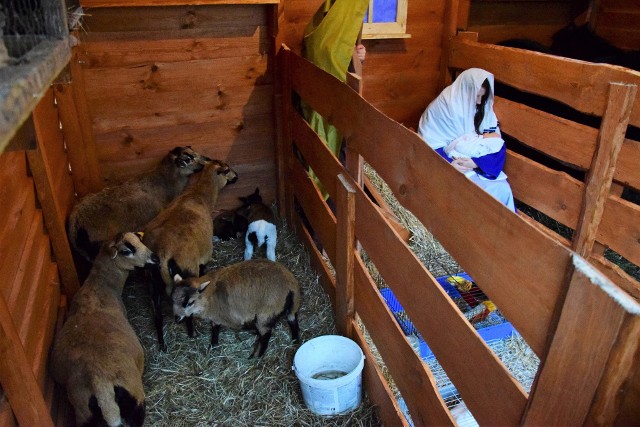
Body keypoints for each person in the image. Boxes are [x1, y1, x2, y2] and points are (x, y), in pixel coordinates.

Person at [417, 68, 516, 212]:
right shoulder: (443, 108)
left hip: (474, 165)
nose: (479, 101)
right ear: (465, 91)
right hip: (447, 165)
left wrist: (476, 163)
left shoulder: (483, 111)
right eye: (476, 96)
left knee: (502, 189)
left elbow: (497, 144)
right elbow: (426, 143)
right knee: (468, 195)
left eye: (483, 97)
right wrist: (448, 164)